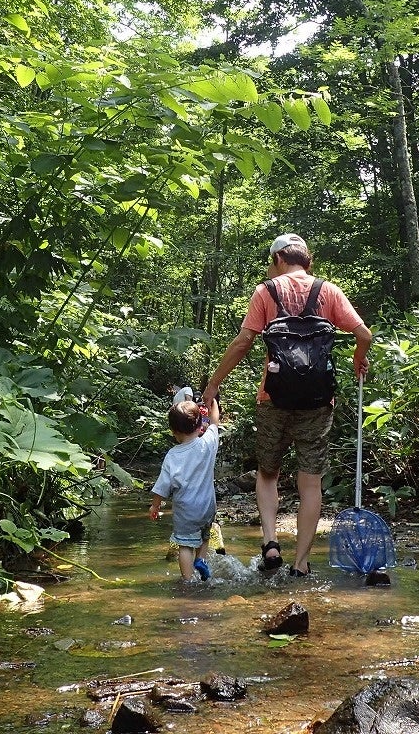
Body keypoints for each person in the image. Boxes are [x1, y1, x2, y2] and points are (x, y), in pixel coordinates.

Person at [201, 233, 372, 577]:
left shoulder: (267, 291)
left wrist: (214, 383)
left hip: (272, 399)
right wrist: (358, 357)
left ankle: (270, 542)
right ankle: (302, 563)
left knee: (268, 473)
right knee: (310, 482)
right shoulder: (328, 291)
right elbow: (364, 334)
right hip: (318, 401)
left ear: (279, 258)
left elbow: (243, 341)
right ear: (306, 259)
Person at [150, 396, 222, 582]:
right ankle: (201, 559)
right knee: (205, 534)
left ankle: (188, 581)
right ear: (200, 425)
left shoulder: (172, 456)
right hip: (207, 506)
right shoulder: (208, 444)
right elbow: (215, 421)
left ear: (174, 431)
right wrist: (212, 402)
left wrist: (155, 506)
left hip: (186, 511)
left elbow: (162, 486)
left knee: (184, 545)